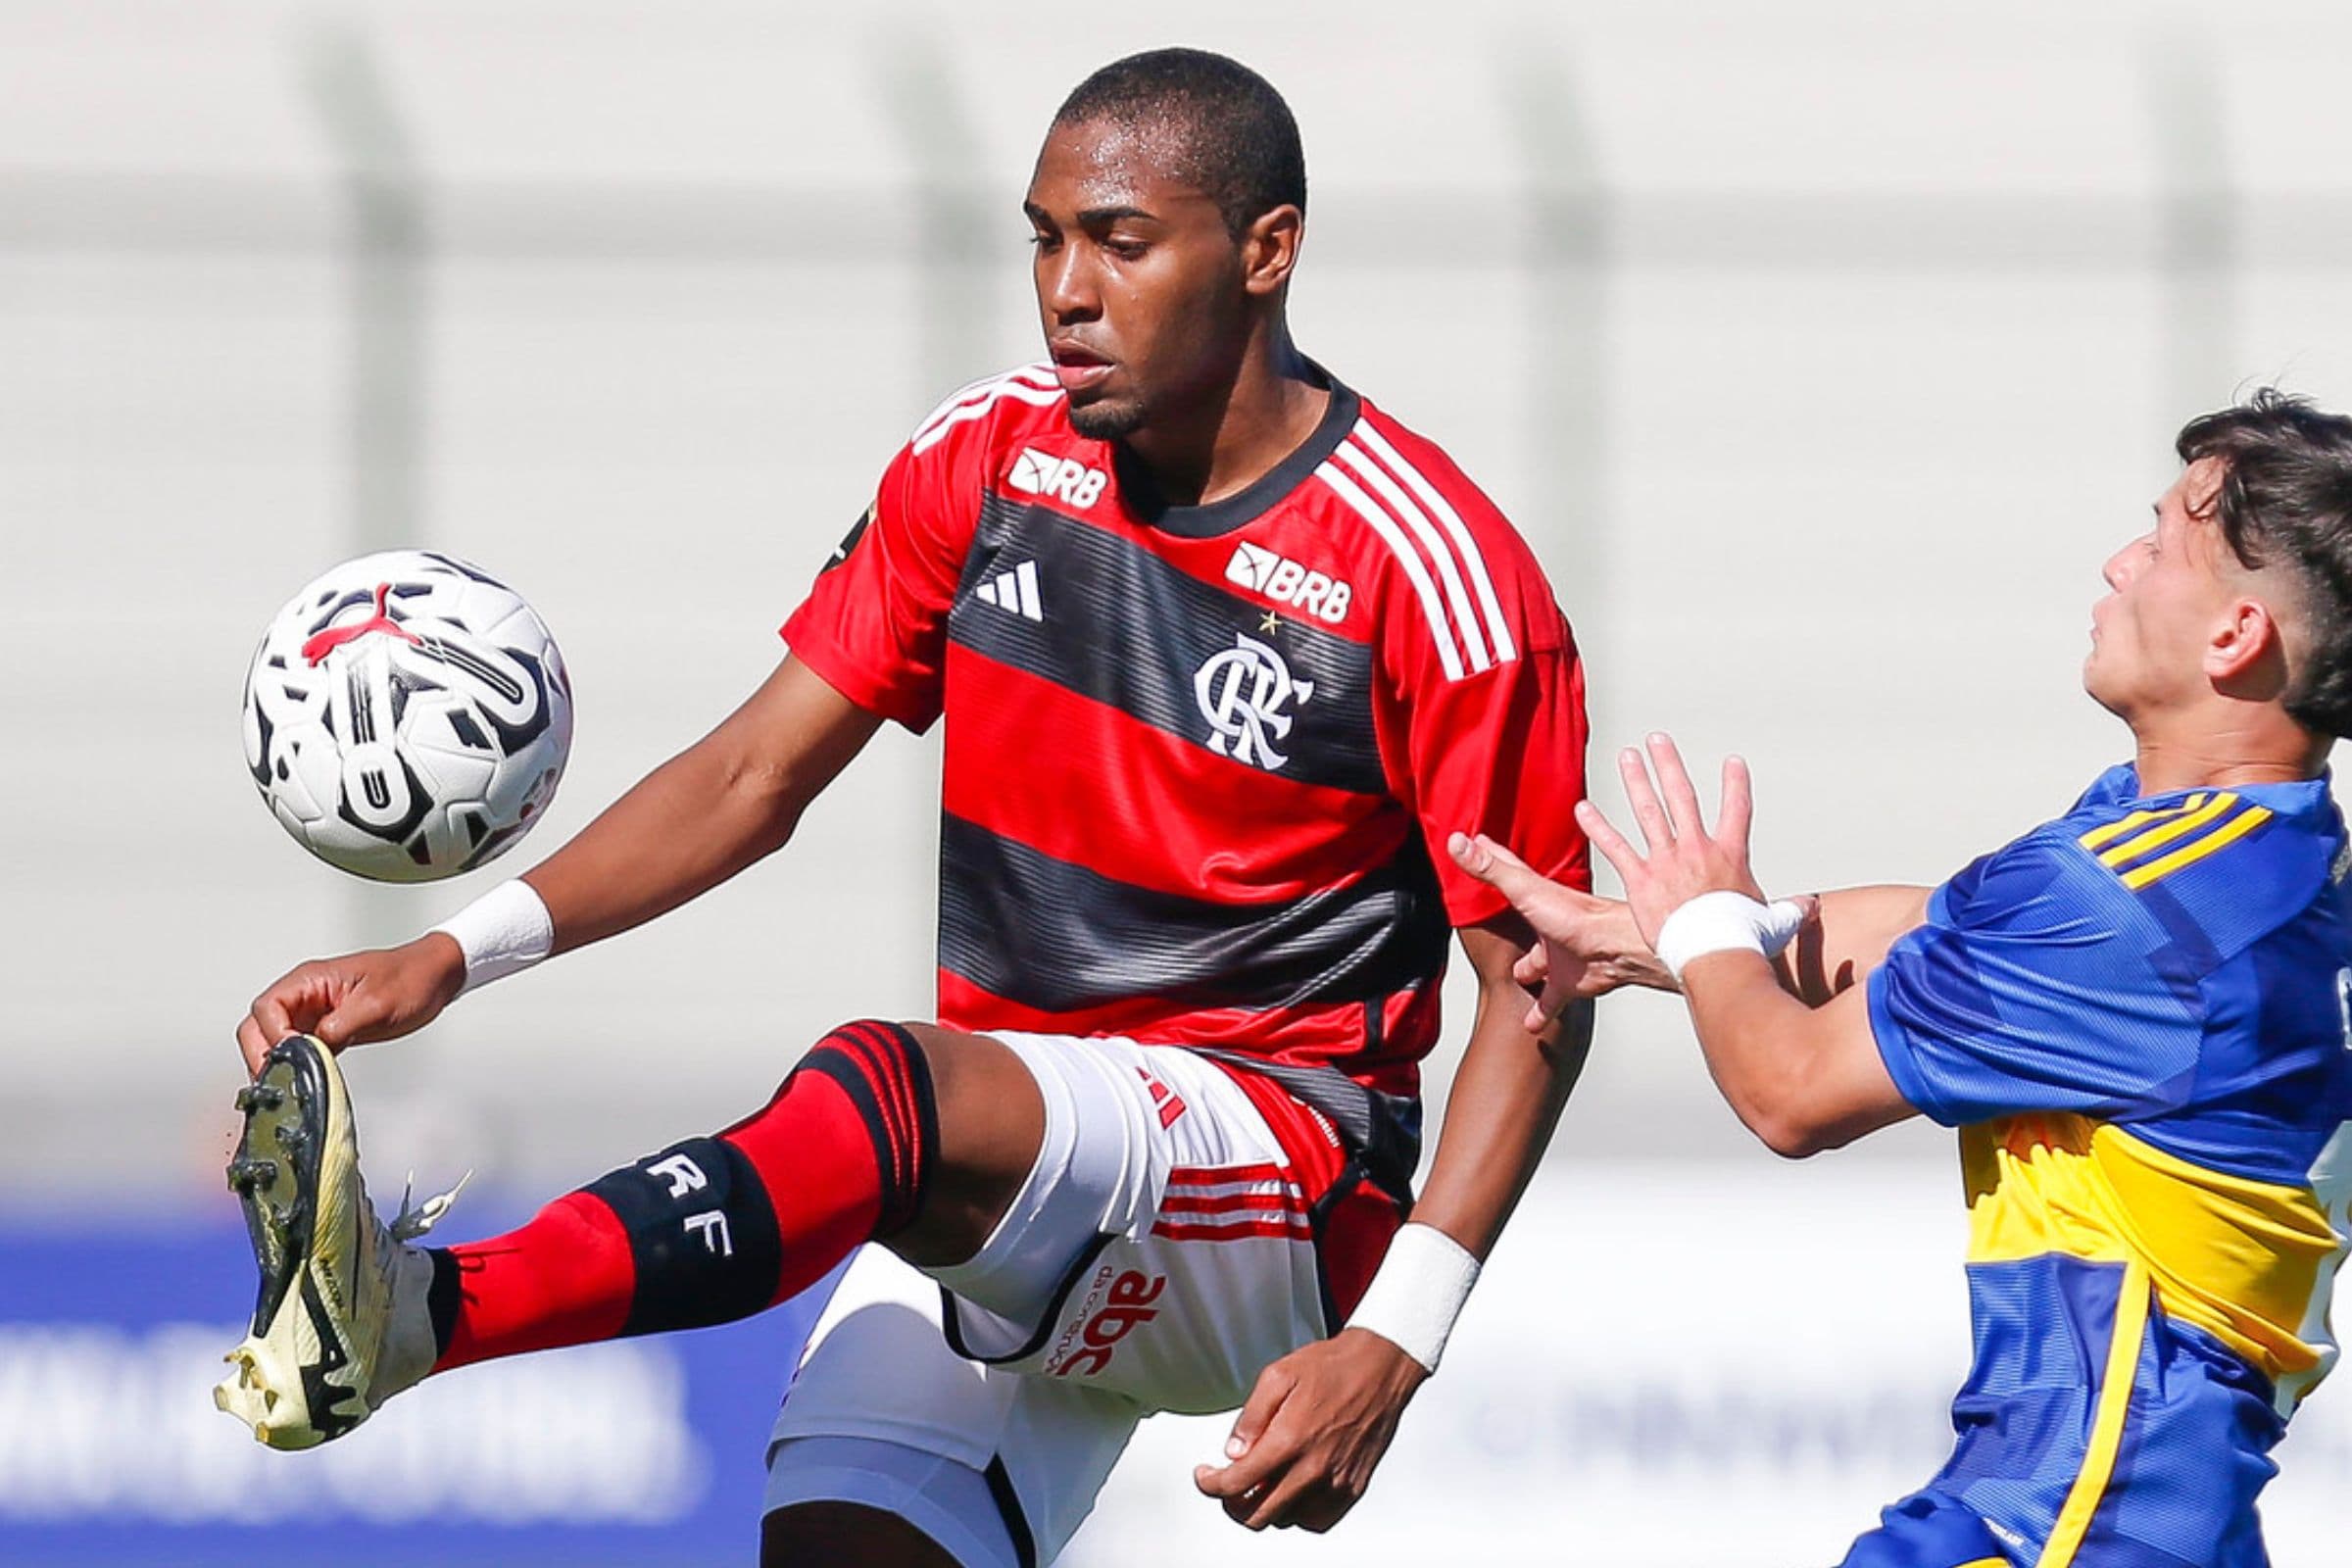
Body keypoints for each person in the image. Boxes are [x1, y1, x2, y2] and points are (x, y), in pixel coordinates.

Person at [218, 48, 1594, 1568]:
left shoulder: (1430, 572)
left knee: (885, 1087)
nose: (1066, 292)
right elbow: (752, 774)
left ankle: (421, 1313)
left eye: (1122, 243)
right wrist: (447, 956)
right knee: (835, 1545)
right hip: (1014, 1175)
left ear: (1267, 251)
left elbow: (1535, 991)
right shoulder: (987, 457)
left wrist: (1398, 1338)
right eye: (1045, 238)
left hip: (1274, 1177)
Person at [1455, 389, 2352, 1567]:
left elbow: (1790, 1093)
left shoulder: (2134, 909)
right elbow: (1936, 929)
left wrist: (1709, 926)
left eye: (2162, 540)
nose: (2119, 562)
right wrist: (1668, 935)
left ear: (2235, 636)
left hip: (2067, 1529)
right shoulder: (2253, 856)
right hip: (2141, 1521)